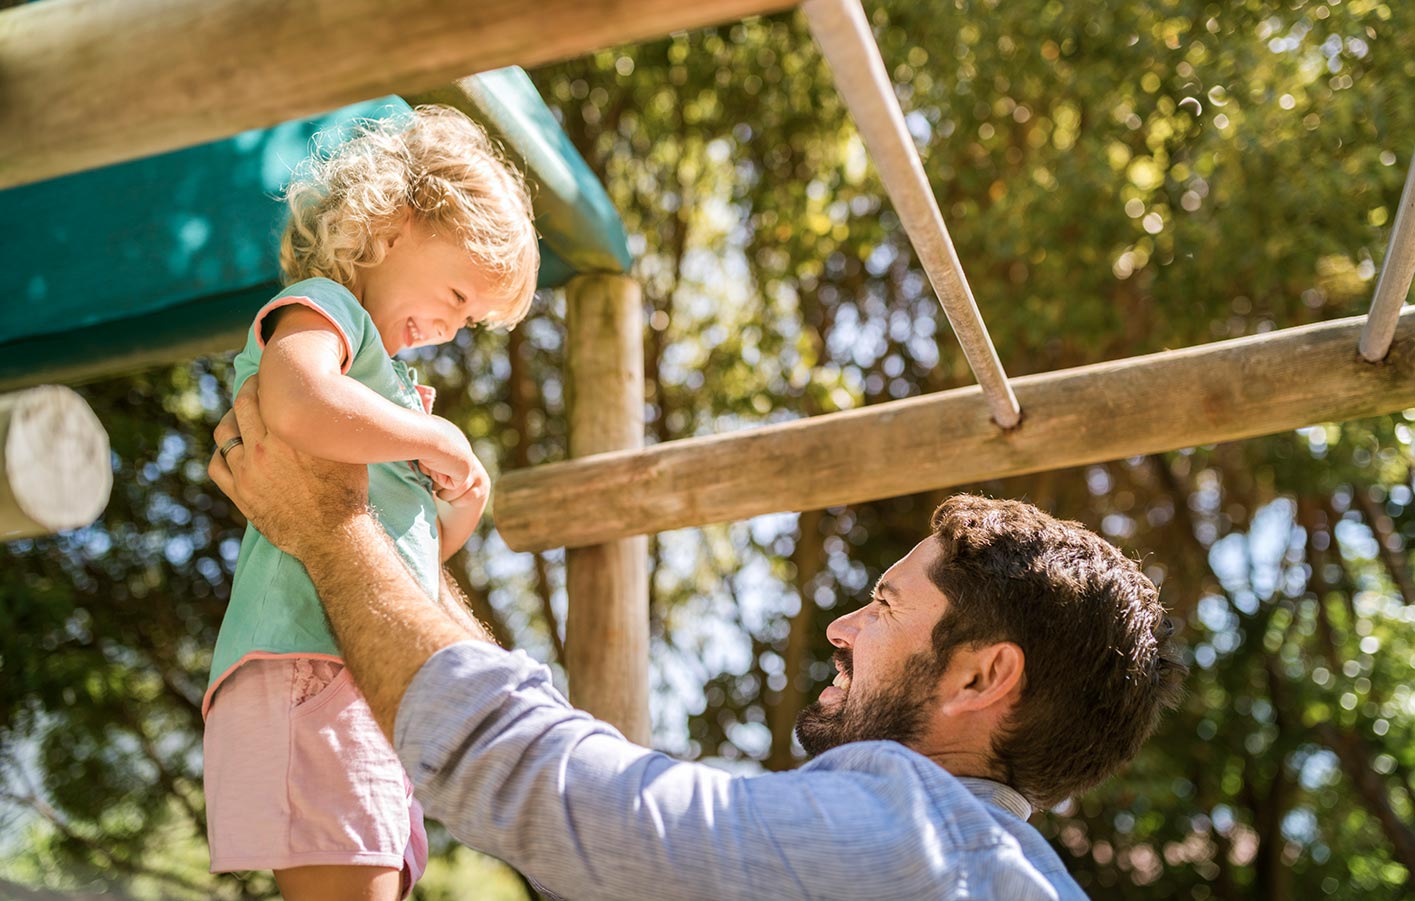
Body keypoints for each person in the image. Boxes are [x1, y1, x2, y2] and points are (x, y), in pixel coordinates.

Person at [208, 380, 1186, 900]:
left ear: (980, 673)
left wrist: (335, 526)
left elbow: (541, 787)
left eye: (885, 608)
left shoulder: (912, 838)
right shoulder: (992, 869)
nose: (842, 629)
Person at [202, 106, 539, 901]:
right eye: (457, 294)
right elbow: (294, 398)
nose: (452, 330)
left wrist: (454, 503)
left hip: (356, 666)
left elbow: (408, 563)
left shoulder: (383, 392)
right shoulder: (325, 309)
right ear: (391, 224)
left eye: (469, 321)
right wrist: (427, 441)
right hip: (312, 666)